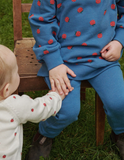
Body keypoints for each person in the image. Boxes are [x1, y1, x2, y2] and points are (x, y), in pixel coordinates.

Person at [26, 0, 124, 159]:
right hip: (63, 61)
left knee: (120, 103)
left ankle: (120, 133)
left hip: (102, 58)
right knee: (65, 111)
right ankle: (45, 134)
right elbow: (40, 20)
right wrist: (54, 62)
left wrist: (119, 40)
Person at [0, 44, 65, 160]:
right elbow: (42, 108)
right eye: (16, 72)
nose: (18, 74)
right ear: (6, 90)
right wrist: (56, 95)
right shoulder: (14, 106)